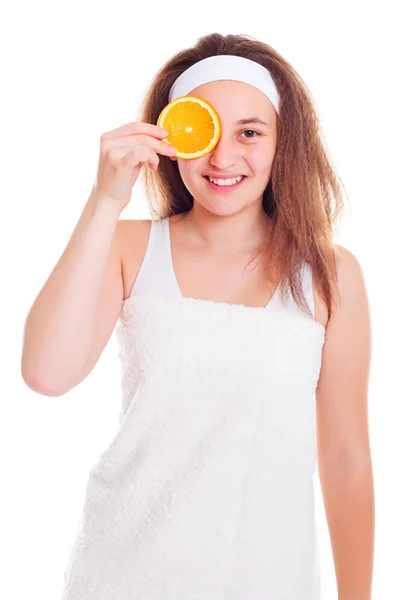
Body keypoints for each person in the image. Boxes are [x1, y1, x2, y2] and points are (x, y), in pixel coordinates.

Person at [21, 32, 374, 600]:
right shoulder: (128, 247)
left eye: (251, 133)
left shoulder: (329, 275)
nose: (223, 158)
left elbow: (346, 459)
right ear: (171, 137)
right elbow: (45, 372)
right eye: (203, 130)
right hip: (123, 574)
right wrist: (105, 200)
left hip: (268, 579)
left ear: (285, 143)